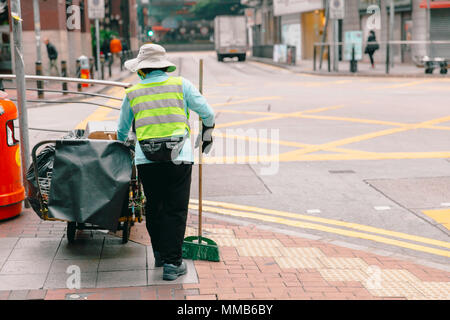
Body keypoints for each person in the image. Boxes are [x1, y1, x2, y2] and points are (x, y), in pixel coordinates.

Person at [117, 44, 215, 281]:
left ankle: (160, 254)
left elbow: (121, 131)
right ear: (163, 66)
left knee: (155, 206)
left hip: (146, 160)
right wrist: (207, 132)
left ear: (142, 70)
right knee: (175, 209)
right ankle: (173, 264)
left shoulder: (133, 93)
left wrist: (130, 143)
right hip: (178, 158)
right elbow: (208, 113)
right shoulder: (181, 85)